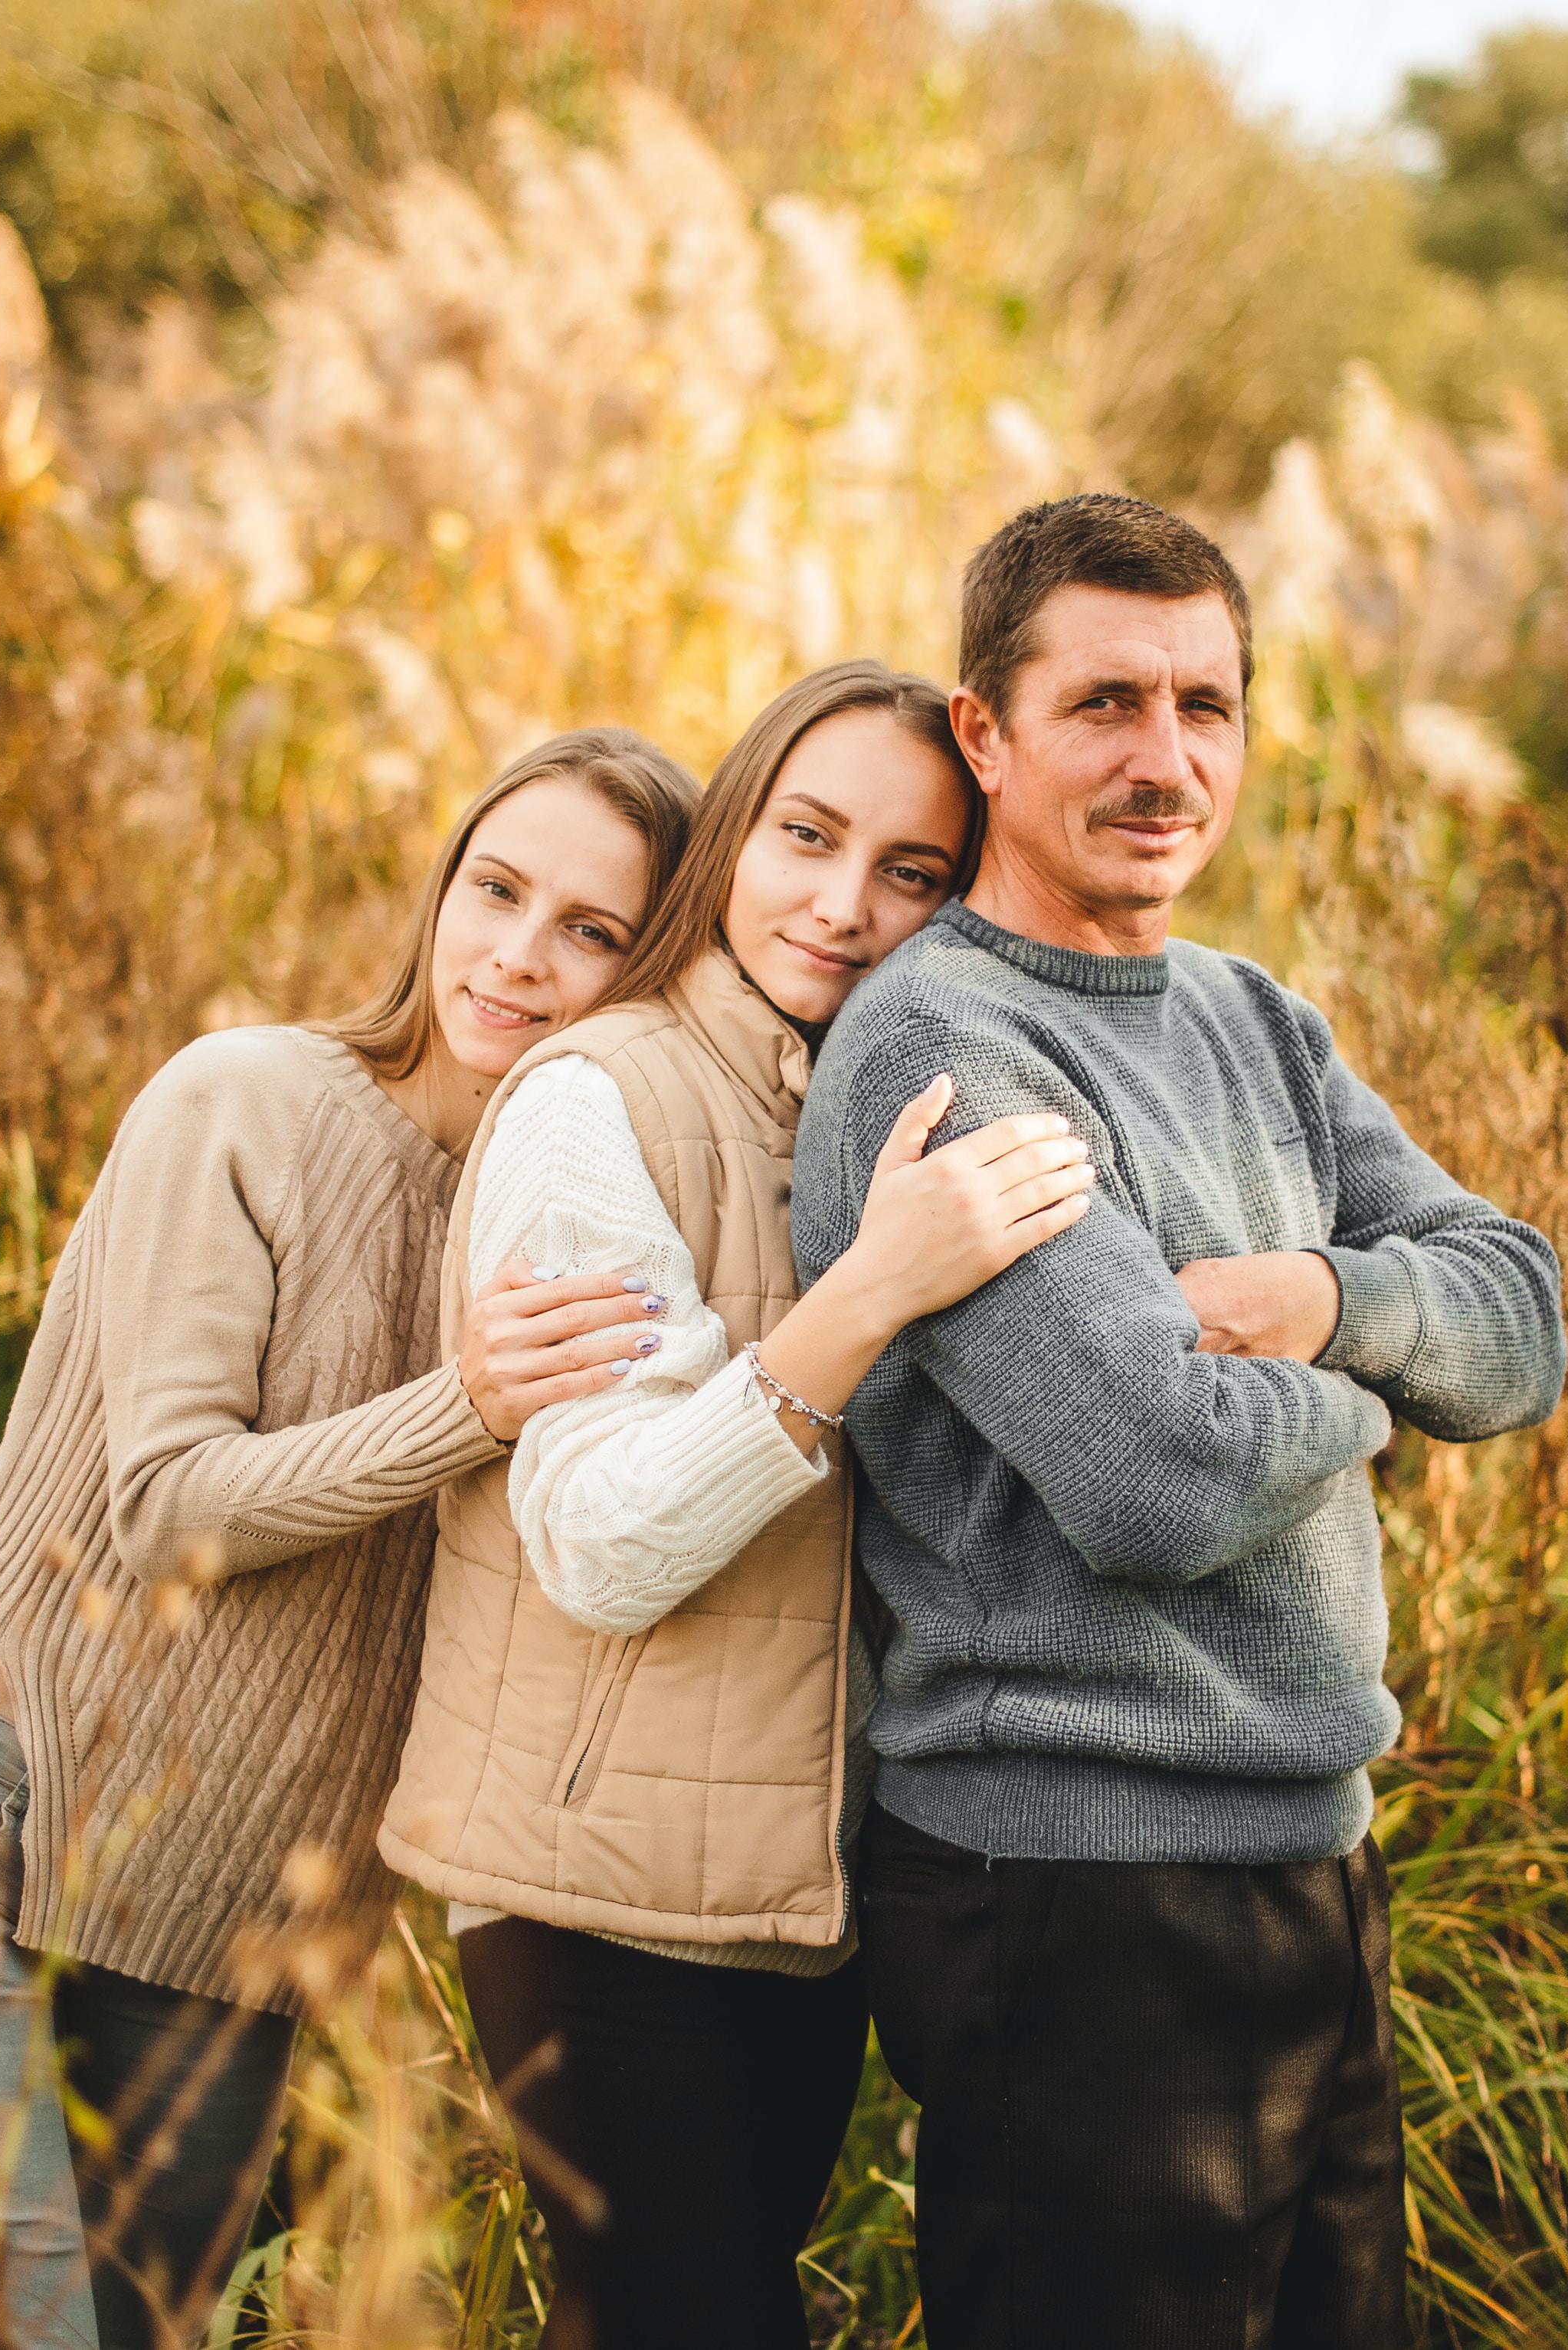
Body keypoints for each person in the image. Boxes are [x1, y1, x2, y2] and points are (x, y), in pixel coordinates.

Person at [790, 495, 1568, 2350]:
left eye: (1205, 706)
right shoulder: (943, 1044)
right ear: (984, 733)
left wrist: (1318, 1304)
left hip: (1309, 1860)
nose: (1166, 762)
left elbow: (1525, 1314)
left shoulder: (1254, 1017)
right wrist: (1383, 1393)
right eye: (1106, 705)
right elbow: (1157, 1476)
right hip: (1072, 1896)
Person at [0, 728, 703, 2350]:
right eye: (496, 890)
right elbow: (165, 1510)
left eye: (589, 930)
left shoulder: (574, 1218)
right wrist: (466, 1403)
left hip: (238, 1925)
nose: (517, 955)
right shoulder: (250, 1101)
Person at [381, 658, 1097, 2350]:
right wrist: (870, 1292)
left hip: (792, 1891)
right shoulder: (600, 1099)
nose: (845, 908)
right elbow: (605, 1538)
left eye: (911, 871)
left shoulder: (836, 1102)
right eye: (806, 835)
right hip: (600, 1896)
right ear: (733, 830)